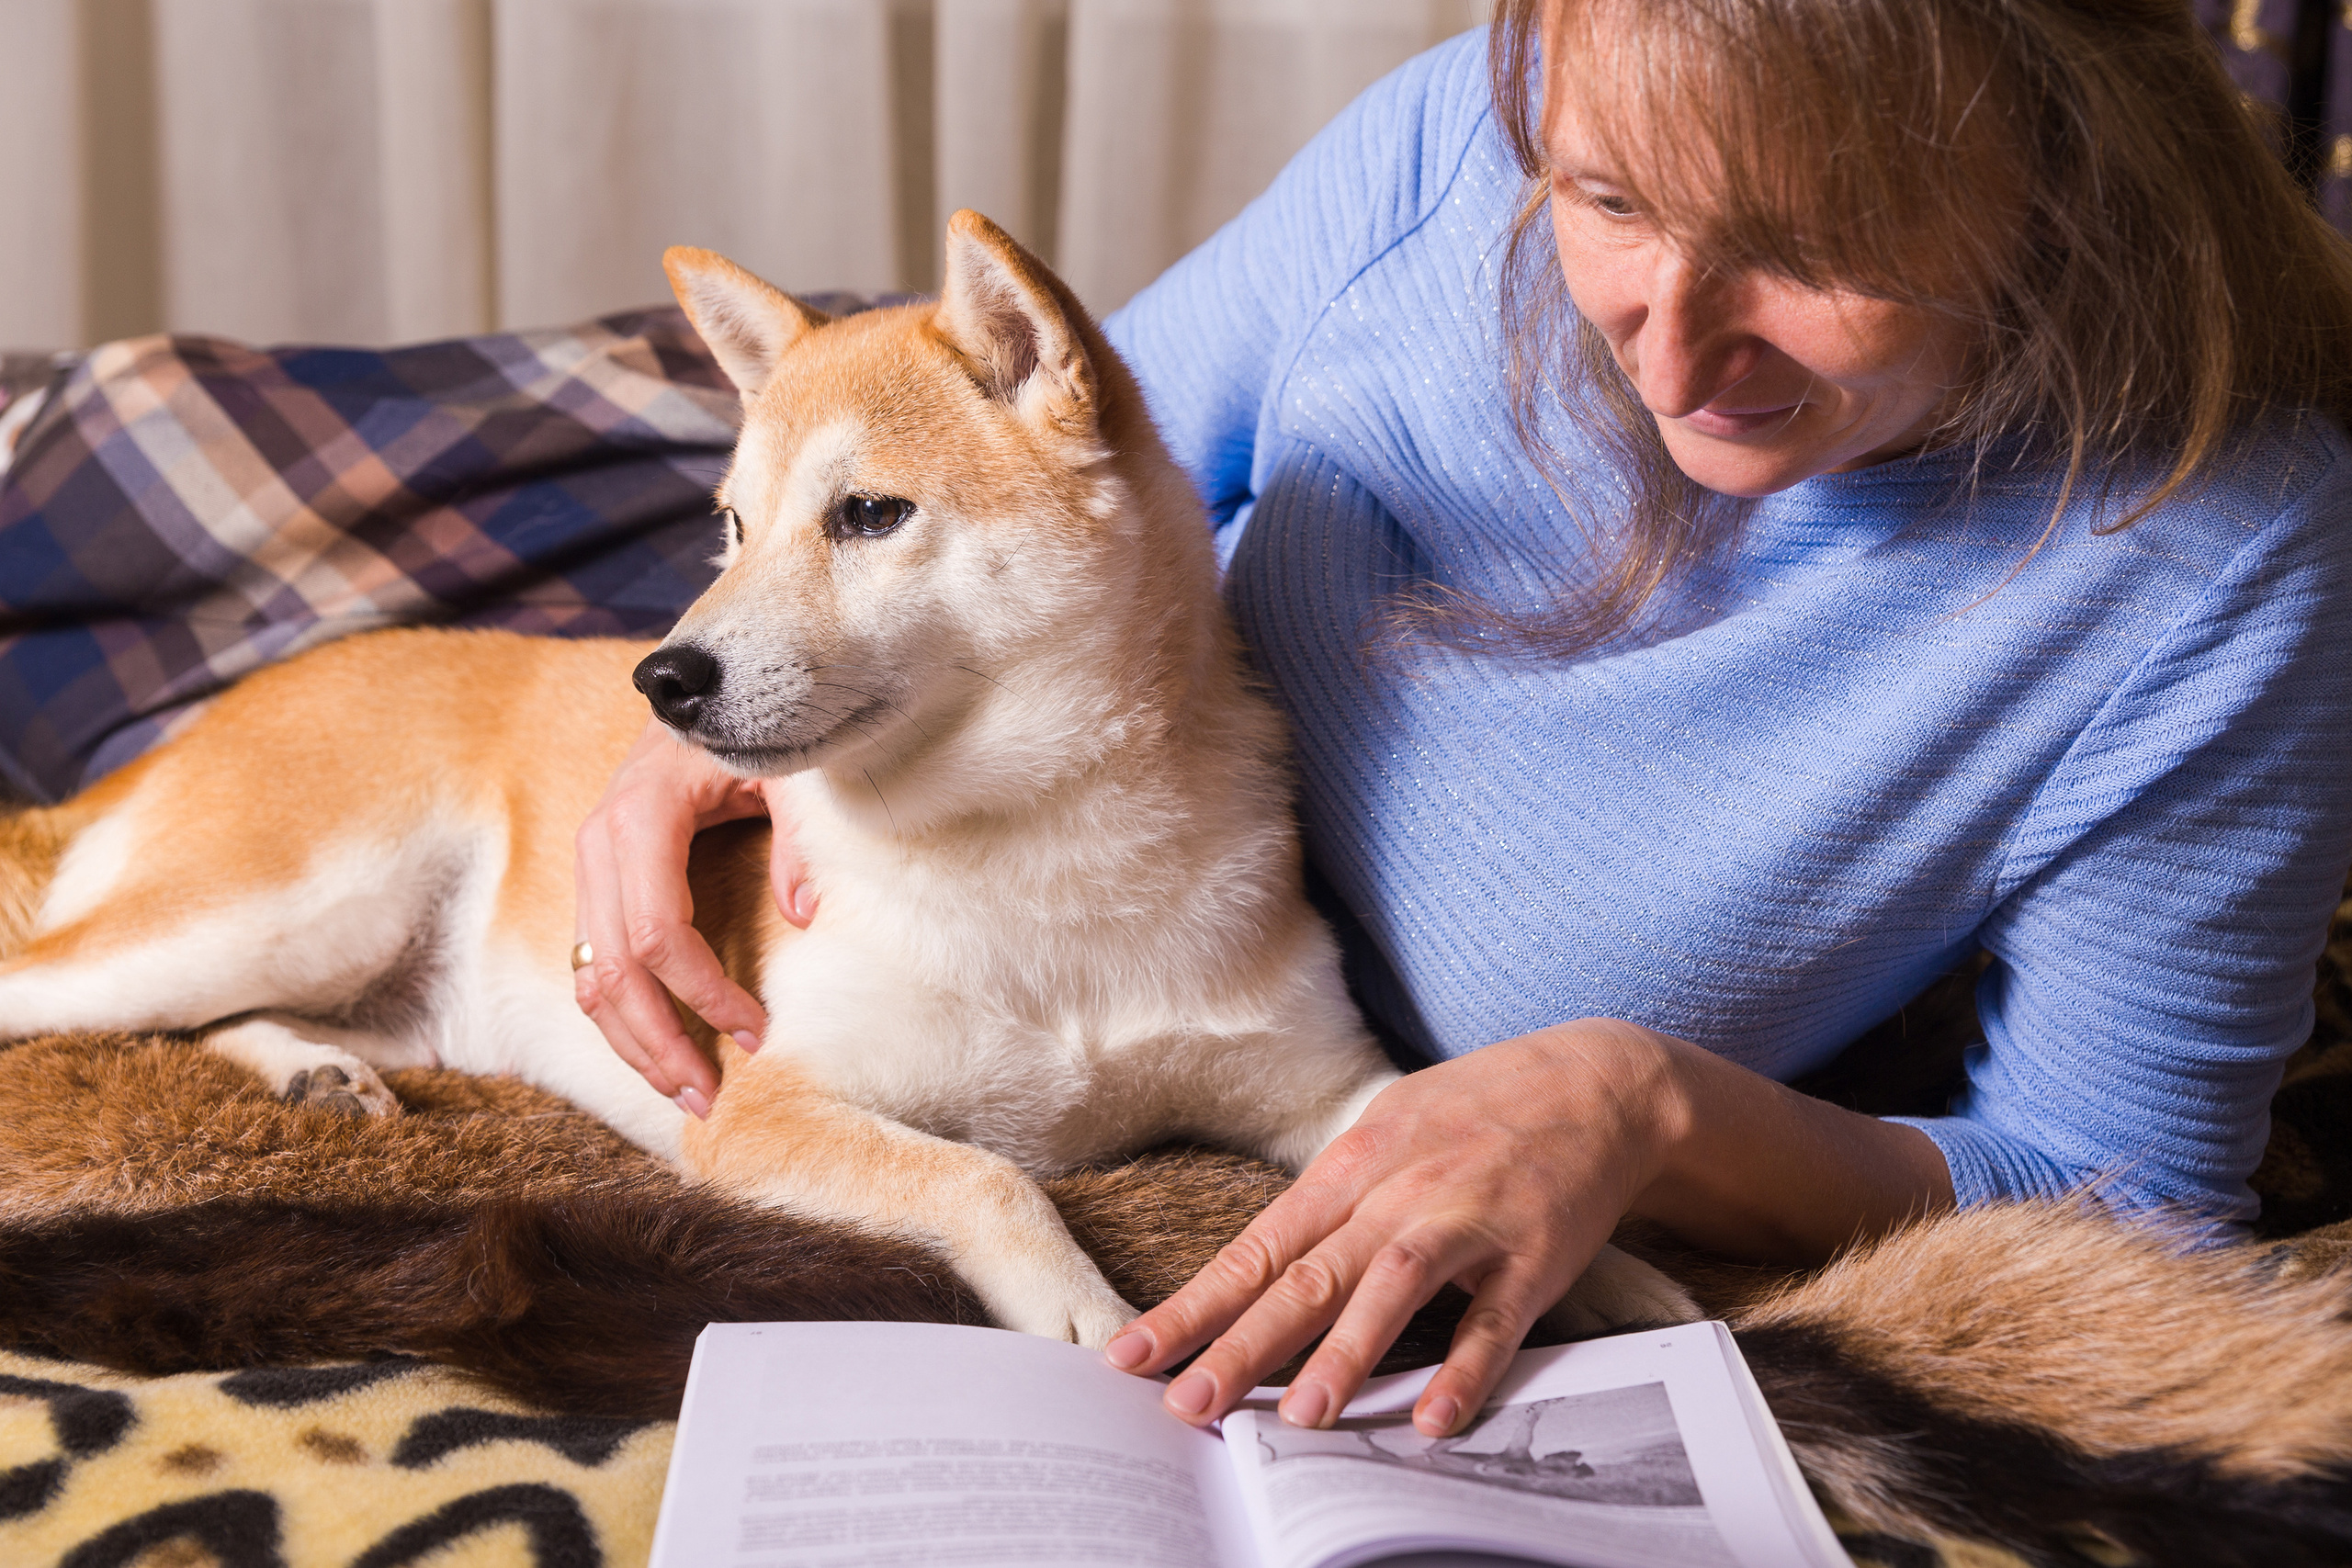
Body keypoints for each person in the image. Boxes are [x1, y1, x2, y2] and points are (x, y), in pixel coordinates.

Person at [571, 0, 2352, 1442]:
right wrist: (722, 719)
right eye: (1607, 199)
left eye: (1815, 245)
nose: (1667, 348)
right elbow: (1040, 472)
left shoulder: (2218, 566)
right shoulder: (1447, 146)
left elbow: (2126, 1201)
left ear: (2066, 170)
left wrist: (1648, 1103)